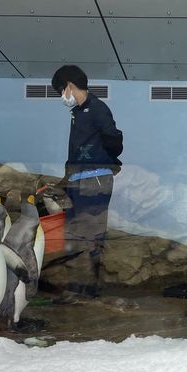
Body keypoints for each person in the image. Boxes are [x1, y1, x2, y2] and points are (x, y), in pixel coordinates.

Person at [51, 65, 123, 299]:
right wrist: (66, 179)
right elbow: (76, 150)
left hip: (95, 181)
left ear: (69, 86)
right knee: (74, 233)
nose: (62, 96)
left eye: (61, 90)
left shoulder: (97, 108)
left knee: (91, 234)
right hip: (78, 181)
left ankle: (91, 288)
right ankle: (76, 286)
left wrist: (110, 161)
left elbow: (113, 137)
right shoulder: (78, 112)